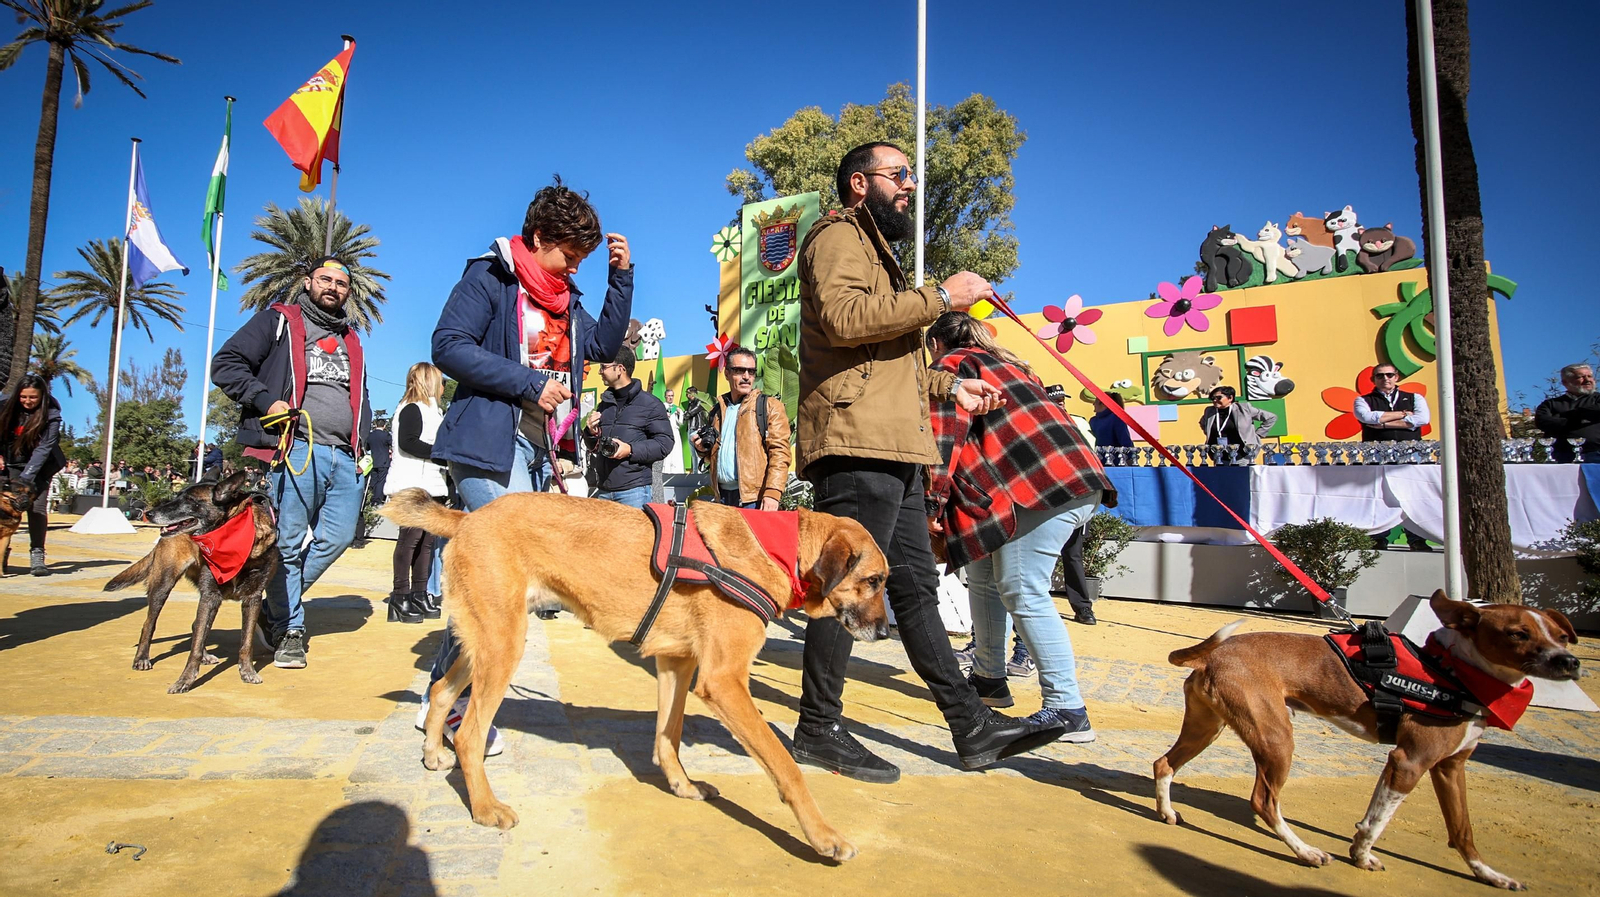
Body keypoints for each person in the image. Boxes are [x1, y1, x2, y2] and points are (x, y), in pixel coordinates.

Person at [792, 141, 1065, 783]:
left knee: (915, 590)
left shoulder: (876, 251)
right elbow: (844, 320)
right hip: (857, 441)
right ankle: (818, 728)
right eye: (899, 175)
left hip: (895, 443)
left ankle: (971, 727)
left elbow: (890, 358)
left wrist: (949, 386)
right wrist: (941, 296)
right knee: (845, 585)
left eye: (910, 176)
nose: (910, 185)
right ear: (860, 183)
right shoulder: (837, 236)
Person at [421, 176, 633, 754]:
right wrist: (528, 382)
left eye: (586, 257)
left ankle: (443, 697)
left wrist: (621, 279)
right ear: (539, 237)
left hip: (541, 451)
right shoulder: (489, 276)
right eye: (571, 253)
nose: (577, 266)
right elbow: (448, 345)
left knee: (492, 582)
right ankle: (458, 710)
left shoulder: (569, 300)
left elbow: (604, 346)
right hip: (490, 444)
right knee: (502, 579)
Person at [925, 313, 1114, 742]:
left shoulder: (952, 366)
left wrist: (930, 502)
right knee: (984, 576)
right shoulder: (1011, 364)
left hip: (1037, 486)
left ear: (935, 344)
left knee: (1022, 589)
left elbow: (944, 437)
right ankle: (989, 679)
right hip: (1070, 479)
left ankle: (1067, 708)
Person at [211, 254, 373, 670]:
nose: (333, 287)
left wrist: (363, 444)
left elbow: (360, 396)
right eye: (325, 279)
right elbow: (225, 365)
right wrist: (267, 401)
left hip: (346, 456)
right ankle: (290, 629)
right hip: (295, 447)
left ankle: (272, 608)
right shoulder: (278, 322)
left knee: (338, 538)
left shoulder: (352, 339)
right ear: (307, 282)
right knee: (285, 543)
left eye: (341, 283)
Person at [386, 362, 449, 624]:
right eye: (440, 380)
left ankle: (419, 593)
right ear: (428, 381)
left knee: (427, 542)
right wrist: (442, 454)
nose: (444, 385)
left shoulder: (434, 411)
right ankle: (400, 595)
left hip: (432, 483)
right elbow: (408, 442)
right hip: (412, 483)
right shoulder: (411, 408)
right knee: (410, 540)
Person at [690, 347, 791, 509]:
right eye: (739, 370)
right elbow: (715, 456)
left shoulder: (769, 406)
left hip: (754, 499)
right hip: (722, 497)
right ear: (727, 373)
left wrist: (773, 493)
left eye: (751, 371)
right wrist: (702, 450)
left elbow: (780, 453)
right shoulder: (717, 410)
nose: (746, 377)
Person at [1354, 361, 1433, 549]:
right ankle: (1377, 538)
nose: (1385, 379)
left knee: (1412, 497)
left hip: (1411, 454)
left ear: (1396, 377)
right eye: (1380, 375)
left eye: (1389, 375)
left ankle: (1416, 539)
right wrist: (1404, 415)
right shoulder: (1363, 400)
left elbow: (1422, 419)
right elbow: (1366, 417)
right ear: (1373, 379)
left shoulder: (1415, 398)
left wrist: (1383, 423)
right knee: (1380, 496)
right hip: (1377, 455)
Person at [582, 346, 673, 509]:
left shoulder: (651, 404)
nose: (600, 371)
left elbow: (664, 443)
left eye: (603, 367)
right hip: (603, 491)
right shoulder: (604, 404)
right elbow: (594, 447)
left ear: (620, 369)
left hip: (634, 492)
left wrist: (630, 450)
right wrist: (590, 433)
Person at [0, 373, 66, 575]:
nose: (27, 401)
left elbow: (44, 449)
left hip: (41, 466)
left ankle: (37, 553)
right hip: (9, 461)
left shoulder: (51, 414)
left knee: (36, 508)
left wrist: (25, 480)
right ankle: (2, 553)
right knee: (3, 508)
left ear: (42, 396)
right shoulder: (4, 406)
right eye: (23, 396)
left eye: (33, 397)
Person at [1534, 363, 1600, 463]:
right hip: (1562, 456)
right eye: (1580, 377)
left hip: (1596, 454)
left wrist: (1562, 416)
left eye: (1589, 376)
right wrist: (1581, 419)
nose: (1587, 380)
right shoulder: (1550, 404)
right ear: (1566, 382)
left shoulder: (1597, 399)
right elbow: (1542, 422)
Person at [1198, 386, 1276, 455]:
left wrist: (1258, 435)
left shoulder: (1244, 409)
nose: (1215, 400)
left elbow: (1271, 417)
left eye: (1219, 398)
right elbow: (1203, 423)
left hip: (1242, 453)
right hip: (1219, 454)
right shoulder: (1209, 411)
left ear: (1230, 398)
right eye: (1213, 398)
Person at [365, 419, 392, 508]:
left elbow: (367, 447)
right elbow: (393, 444)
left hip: (373, 461)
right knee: (381, 481)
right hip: (383, 461)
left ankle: (370, 498)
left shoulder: (370, 435)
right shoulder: (386, 435)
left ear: (376, 425)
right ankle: (377, 501)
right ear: (384, 426)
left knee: (374, 480)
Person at [661, 387, 686, 476]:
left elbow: (681, 422)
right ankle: (666, 469)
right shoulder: (662, 406)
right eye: (668, 396)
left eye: (672, 396)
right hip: (666, 431)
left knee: (676, 450)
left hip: (675, 431)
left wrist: (680, 413)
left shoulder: (676, 408)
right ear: (665, 396)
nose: (670, 397)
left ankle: (676, 470)